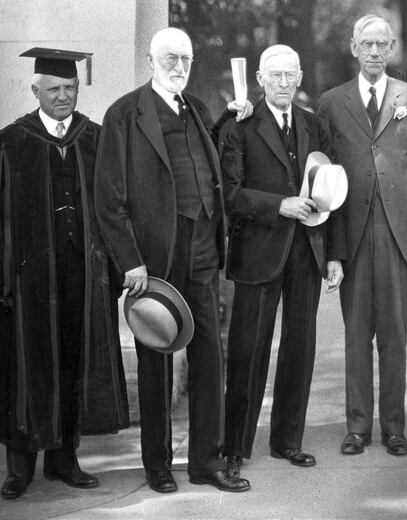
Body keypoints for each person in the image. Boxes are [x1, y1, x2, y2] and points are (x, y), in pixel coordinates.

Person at [0, 48, 129, 500]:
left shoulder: (96, 139)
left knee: (72, 363)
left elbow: (116, 206)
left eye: (70, 88)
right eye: (54, 89)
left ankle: (64, 461)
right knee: (23, 372)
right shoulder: (9, 144)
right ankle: (19, 469)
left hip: (82, 276)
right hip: (27, 283)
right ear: (35, 91)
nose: (64, 96)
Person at [94, 27, 250, 493]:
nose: (179, 67)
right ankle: (157, 465)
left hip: (202, 244)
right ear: (150, 61)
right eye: (169, 59)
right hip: (155, 255)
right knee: (156, 357)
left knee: (207, 354)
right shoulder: (124, 113)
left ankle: (206, 461)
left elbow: (205, 162)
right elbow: (108, 196)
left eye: (185, 58)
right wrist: (130, 261)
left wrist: (228, 118)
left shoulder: (197, 108)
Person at [218, 45, 344, 479]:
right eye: (276, 76)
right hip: (258, 253)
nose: (284, 83)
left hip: (306, 254)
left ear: (301, 77)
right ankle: (233, 448)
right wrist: (280, 205)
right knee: (247, 352)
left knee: (300, 349)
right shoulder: (241, 126)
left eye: (291, 75)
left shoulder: (314, 125)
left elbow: (333, 191)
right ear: (260, 78)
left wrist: (335, 257)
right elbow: (230, 195)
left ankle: (287, 441)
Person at [316, 14, 407, 457]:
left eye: (381, 44)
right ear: (353, 48)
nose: (373, 52)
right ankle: (357, 428)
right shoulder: (332, 102)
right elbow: (323, 170)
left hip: (397, 233)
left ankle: (394, 428)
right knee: (356, 333)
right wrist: (333, 247)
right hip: (352, 230)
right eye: (366, 44)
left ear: (392, 49)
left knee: (394, 335)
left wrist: (405, 205)